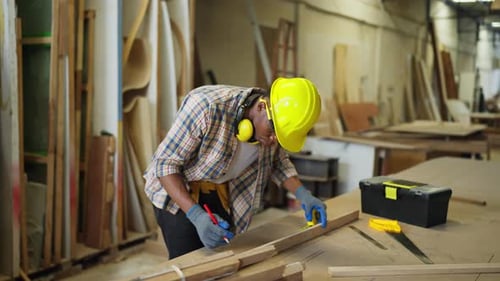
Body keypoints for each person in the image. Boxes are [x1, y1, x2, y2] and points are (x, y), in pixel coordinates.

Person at [143, 77, 327, 259]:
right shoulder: (207, 106)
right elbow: (165, 164)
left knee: (222, 259)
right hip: (176, 192)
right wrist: (196, 215)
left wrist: (304, 194)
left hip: (221, 190)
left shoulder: (271, 126)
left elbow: (278, 163)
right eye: (273, 131)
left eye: (280, 137)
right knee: (189, 263)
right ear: (262, 106)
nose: (273, 141)